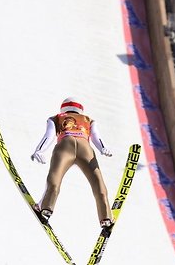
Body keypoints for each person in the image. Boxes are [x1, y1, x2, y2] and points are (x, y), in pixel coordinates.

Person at [30, 97, 114, 228]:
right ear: (80, 109)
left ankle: (45, 207)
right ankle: (106, 216)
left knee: (54, 179)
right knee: (98, 185)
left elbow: (50, 135)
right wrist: (103, 148)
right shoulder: (88, 120)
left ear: (63, 108)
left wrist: (39, 150)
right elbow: (96, 136)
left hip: (65, 145)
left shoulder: (56, 118)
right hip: (85, 149)